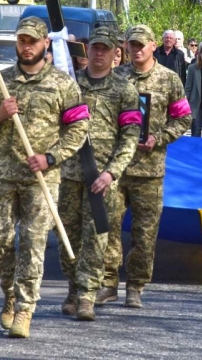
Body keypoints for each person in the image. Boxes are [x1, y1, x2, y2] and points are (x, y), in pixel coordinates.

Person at [0, 17, 90, 339]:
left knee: (34, 243)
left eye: (32, 41)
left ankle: (24, 309)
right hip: (3, 174)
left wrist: (51, 157)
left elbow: (79, 127)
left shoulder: (63, 84)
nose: (26, 46)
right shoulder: (1, 81)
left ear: (45, 44)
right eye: (22, 40)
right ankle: (10, 291)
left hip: (43, 178)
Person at [98, 24, 192, 309]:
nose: (137, 49)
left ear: (153, 45)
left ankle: (136, 286)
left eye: (142, 45)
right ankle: (108, 282)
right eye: (132, 45)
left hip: (149, 171)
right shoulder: (115, 77)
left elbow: (183, 118)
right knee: (109, 227)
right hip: (117, 168)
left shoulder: (169, 79)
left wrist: (159, 138)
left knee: (145, 232)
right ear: (124, 47)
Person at [58, 27, 141, 322]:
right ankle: (72, 288)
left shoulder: (124, 90)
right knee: (68, 235)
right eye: (95, 47)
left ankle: (86, 296)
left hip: (101, 178)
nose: (99, 53)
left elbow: (130, 136)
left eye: (106, 48)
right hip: (69, 173)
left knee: (96, 238)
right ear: (88, 49)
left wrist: (112, 173)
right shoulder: (70, 84)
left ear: (115, 53)